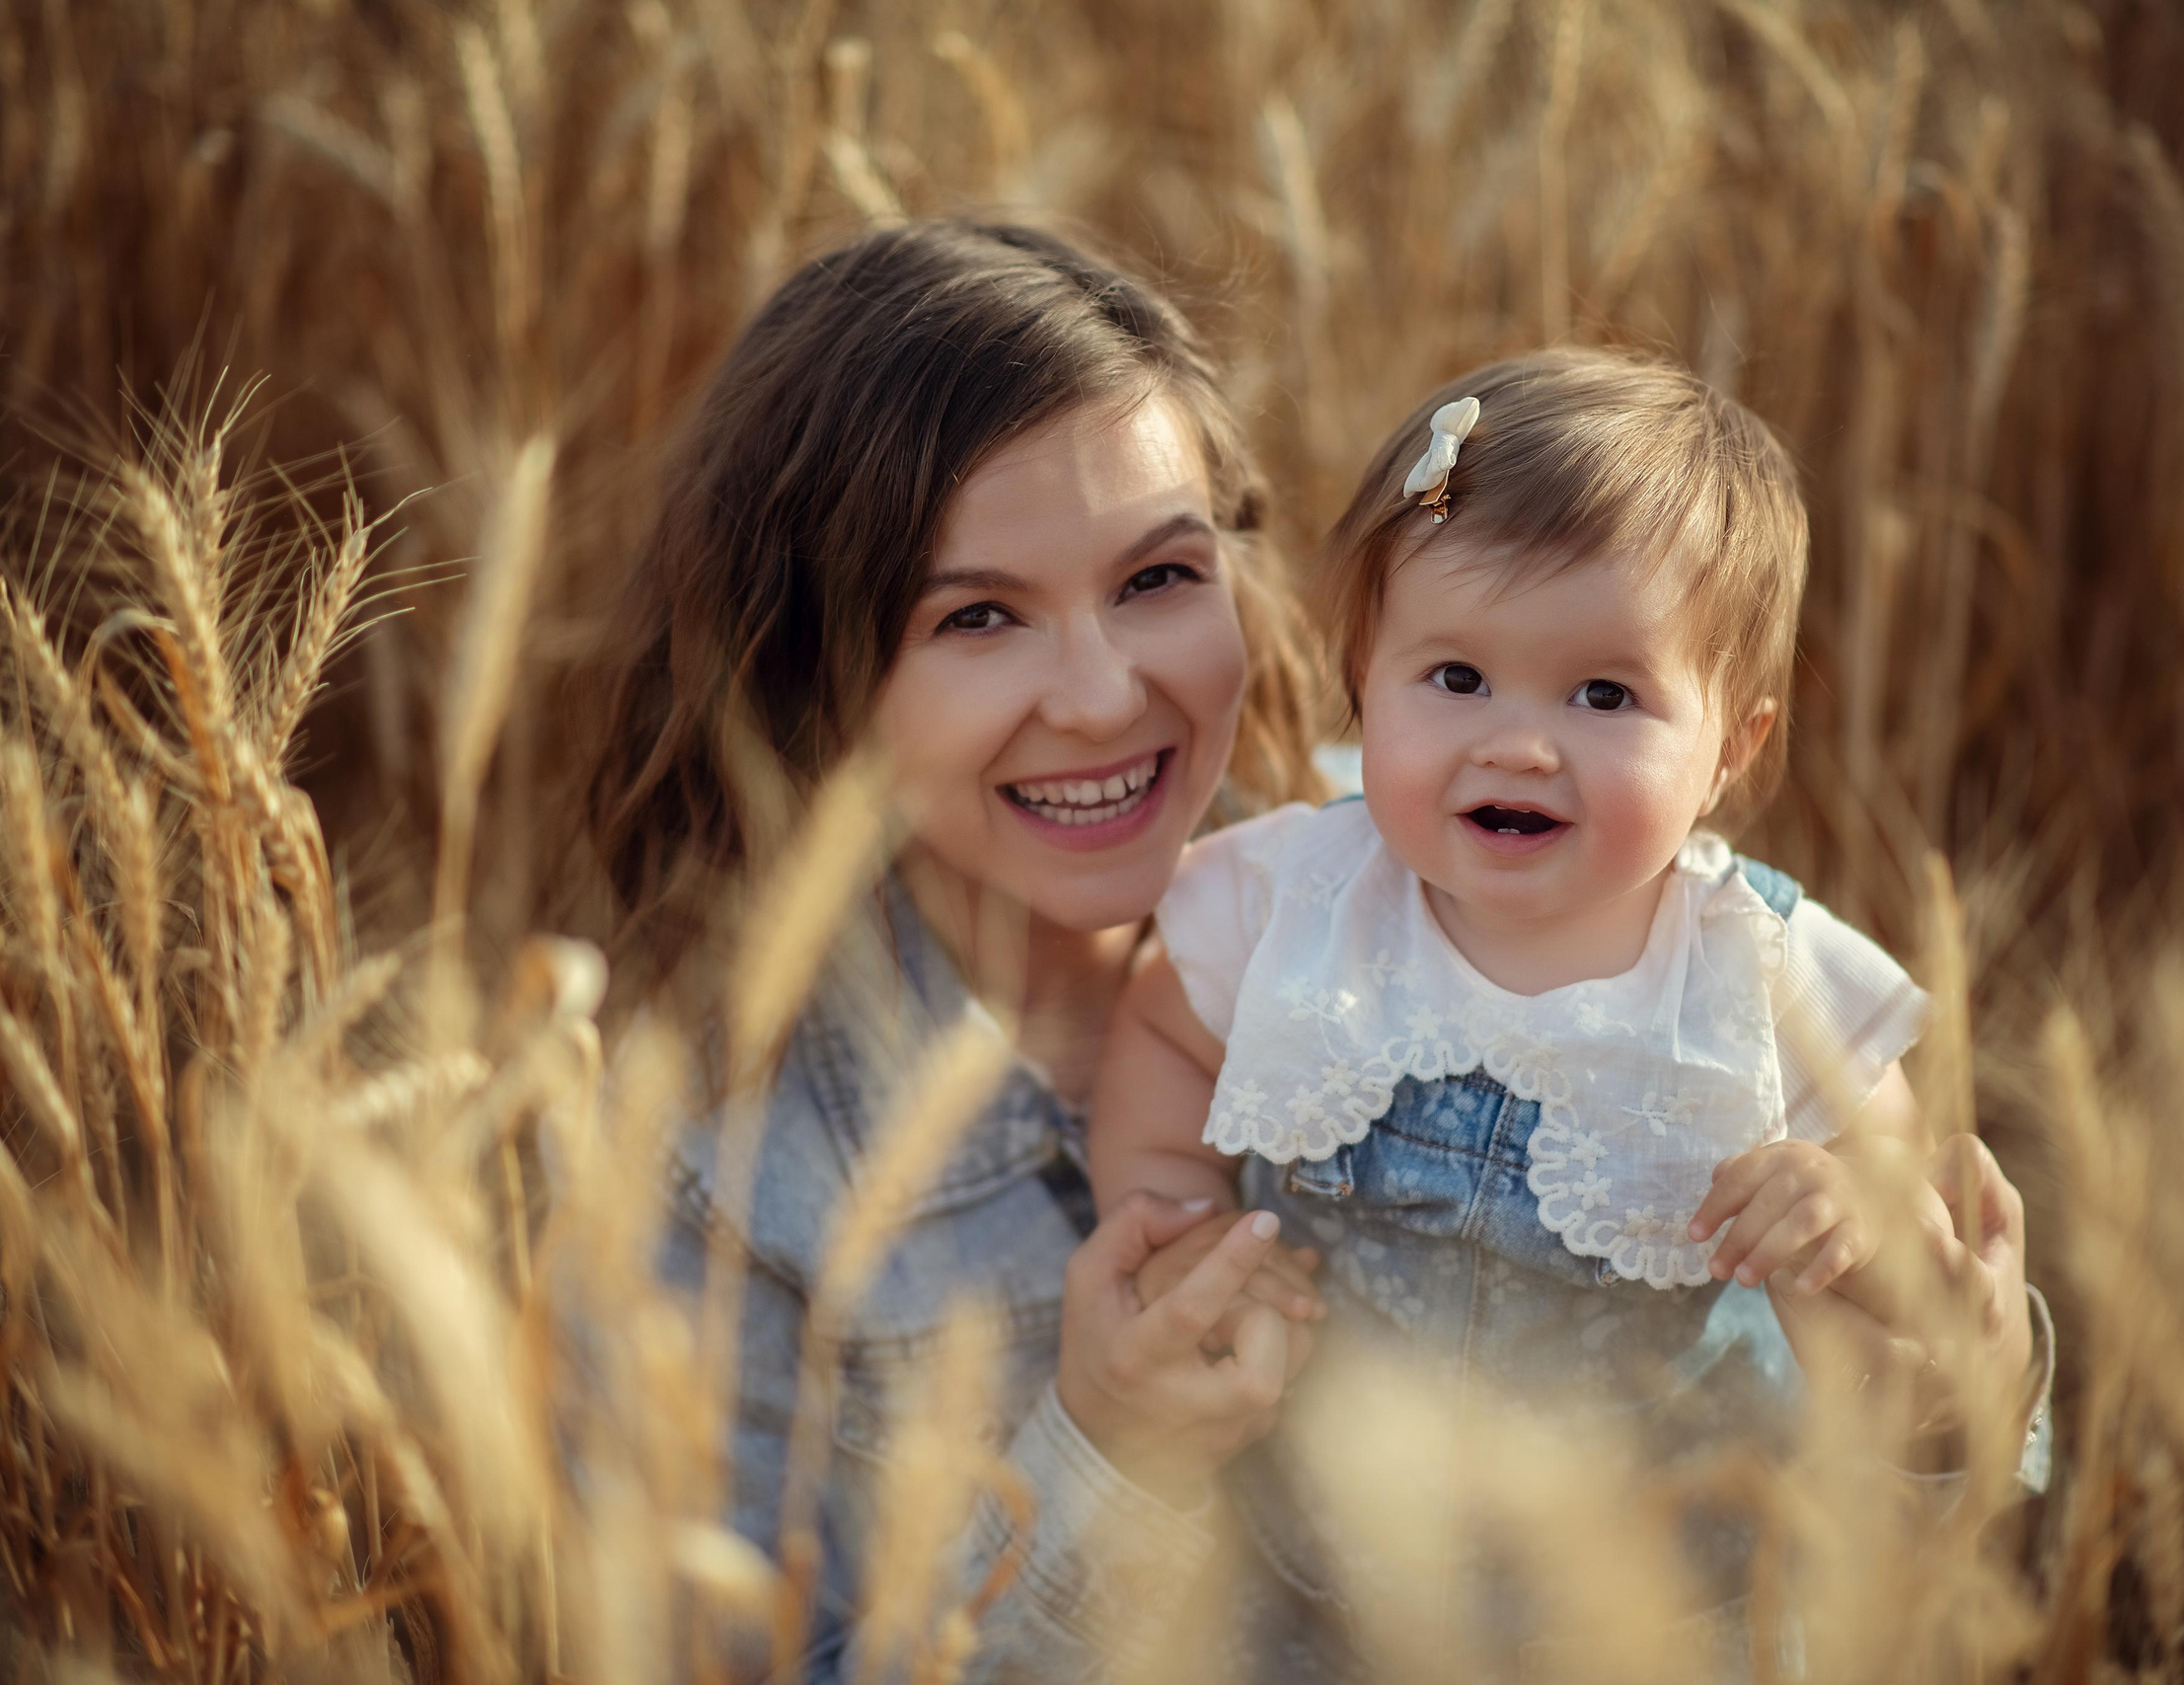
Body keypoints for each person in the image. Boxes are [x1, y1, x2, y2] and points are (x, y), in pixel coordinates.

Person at [1088, 348, 2055, 1667]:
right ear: (1363, 681)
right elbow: (1160, 1023)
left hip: (1660, 1613)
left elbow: (1894, 1201)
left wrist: (1845, 1215)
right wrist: (1172, 1210)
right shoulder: (1293, 905)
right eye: (1456, 679)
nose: (1519, 742)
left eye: (1605, 695)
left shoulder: (1754, 975)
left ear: (1732, 749)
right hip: (1322, 1592)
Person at [588, 218, 1333, 1682]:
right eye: (979, 616)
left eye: (1158, 579)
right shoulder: (712, 1182)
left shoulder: (1439, 896)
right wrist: (1105, 1469)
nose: (1105, 696)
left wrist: (1910, 1410)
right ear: (812, 673)